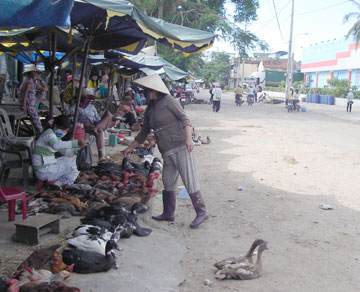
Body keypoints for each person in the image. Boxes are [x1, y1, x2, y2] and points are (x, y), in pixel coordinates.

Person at [123, 74, 209, 229]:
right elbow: (143, 133)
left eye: (146, 91)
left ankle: (201, 212)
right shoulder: (150, 110)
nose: (144, 94)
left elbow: (185, 119)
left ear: (154, 91)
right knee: (168, 181)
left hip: (180, 146)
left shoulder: (169, 101)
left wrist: (189, 139)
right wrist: (129, 148)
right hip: (166, 151)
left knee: (189, 180)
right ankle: (168, 213)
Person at [32, 115, 87, 190]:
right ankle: (58, 186)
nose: (64, 132)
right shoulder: (49, 133)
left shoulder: (55, 136)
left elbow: (64, 151)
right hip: (43, 171)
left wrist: (77, 151)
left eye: (66, 130)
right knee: (73, 170)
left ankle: (57, 185)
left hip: (48, 166)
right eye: (63, 129)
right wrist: (76, 143)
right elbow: (56, 145)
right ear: (56, 126)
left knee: (72, 159)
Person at [78, 89, 117, 159]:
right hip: (82, 126)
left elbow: (97, 119)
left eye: (89, 98)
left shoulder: (91, 107)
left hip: (95, 125)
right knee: (98, 129)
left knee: (108, 115)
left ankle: (101, 156)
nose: (88, 100)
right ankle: (103, 127)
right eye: (86, 98)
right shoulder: (76, 106)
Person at [18, 65, 48, 135]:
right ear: (32, 73)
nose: (37, 75)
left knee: (43, 92)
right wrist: (24, 105)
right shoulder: (28, 82)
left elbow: (45, 89)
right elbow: (25, 94)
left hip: (32, 101)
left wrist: (41, 80)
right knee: (36, 118)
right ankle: (40, 133)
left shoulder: (33, 82)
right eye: (36, 73)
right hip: (27, 102)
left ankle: (34, 106)